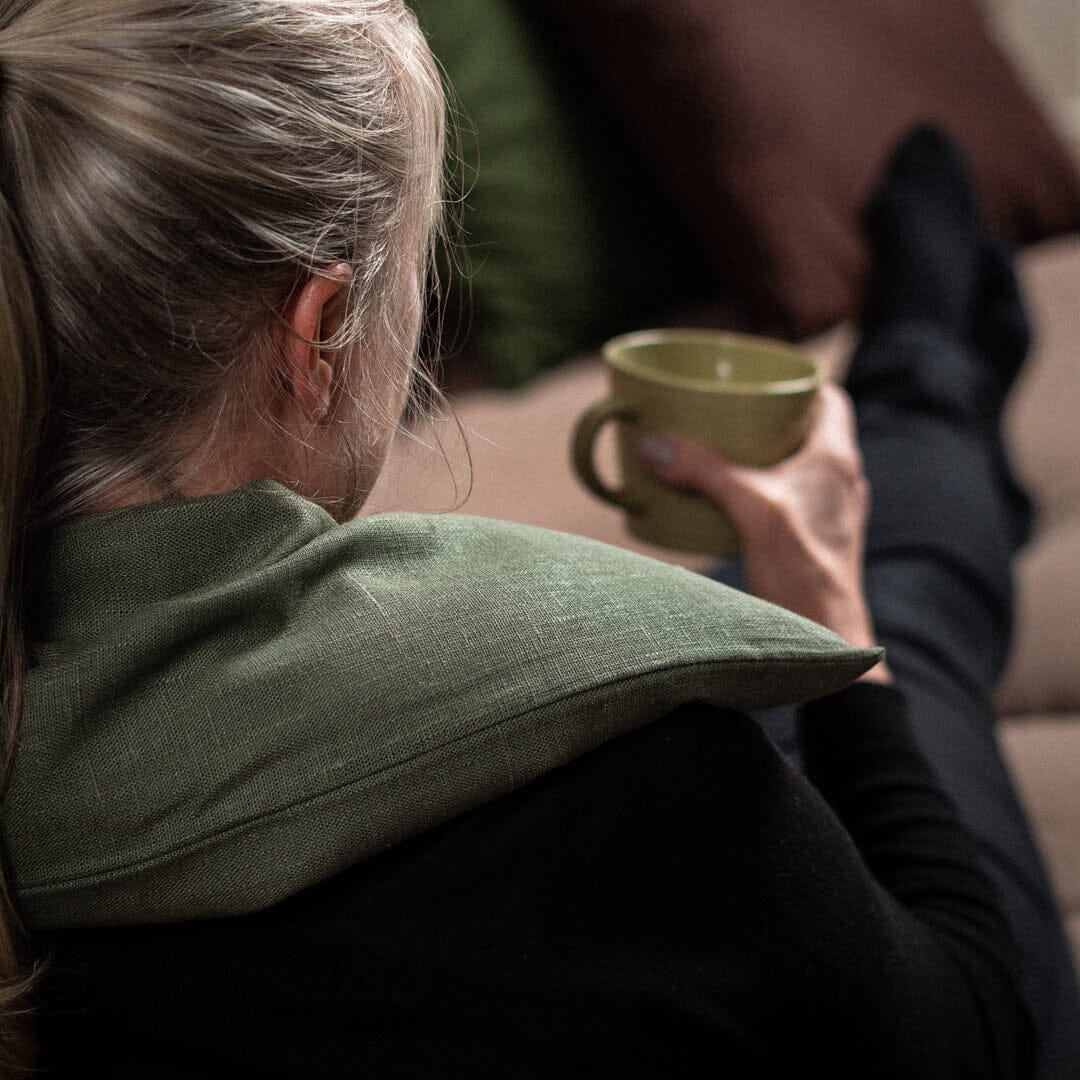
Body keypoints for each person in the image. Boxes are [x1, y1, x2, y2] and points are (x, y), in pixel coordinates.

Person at [0, 2, 1070, 1077]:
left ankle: (923, 376)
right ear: (316, 334)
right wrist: (837, 630)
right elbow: (982, 1029)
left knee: (792, 562)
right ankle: (926, 371)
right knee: (904, 615)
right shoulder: (641, 784)